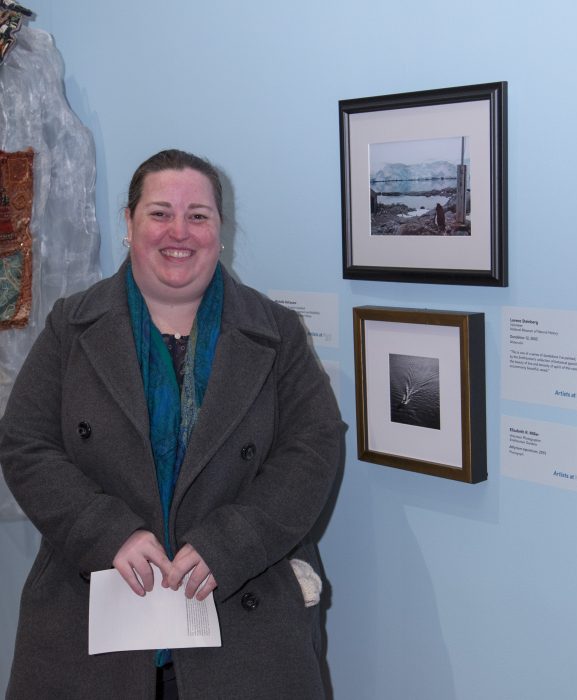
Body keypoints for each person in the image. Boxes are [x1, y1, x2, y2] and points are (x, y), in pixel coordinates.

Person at [0, 149, 343, 699]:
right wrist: (106, 531)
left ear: (220, 230)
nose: (178, 232)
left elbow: (313, 449)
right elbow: (24, 442)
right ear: (130, 223)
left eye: (198, 216)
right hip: (92, 610)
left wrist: (232, 542)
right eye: (160, 213)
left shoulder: (276, 333)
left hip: (241, 610)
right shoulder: (71, 325)